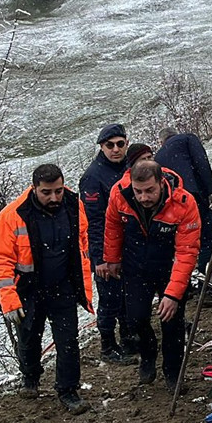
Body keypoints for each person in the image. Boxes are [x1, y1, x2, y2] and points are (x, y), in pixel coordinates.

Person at [0, 164, 94, 415]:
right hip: (29, 289)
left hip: (64, 286)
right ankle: (30, 377)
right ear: (34, 188)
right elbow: (1, 259)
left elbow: (83, 238)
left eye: (58, 191)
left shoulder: (73, 203)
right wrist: (9, 299)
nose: (54, 198)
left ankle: (68, 390)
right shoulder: (13, 215)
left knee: (68, 341)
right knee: (29, 338)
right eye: (47, 192)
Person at [100, 159, 201, 390]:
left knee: (172, 322)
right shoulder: (119, 194)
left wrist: (173, 294)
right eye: (139, 191)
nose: (144, 197)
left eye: (150, 191)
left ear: (161, 183)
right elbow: (112, 226)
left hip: (170, 267)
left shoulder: (184, 203)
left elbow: (187, 252)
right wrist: (112, 258)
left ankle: (173, 372)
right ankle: (148, 354)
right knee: (135, 319)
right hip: (135, 267)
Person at [79, 124, 137, 365]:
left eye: (120, 144)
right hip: (106, 248)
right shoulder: (92, 177)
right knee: (110, 299)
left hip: (129, 245)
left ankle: (129, 339)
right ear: (101, 147)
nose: (115, 149)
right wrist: (100, 258)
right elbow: (93, 222)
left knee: (128, 295)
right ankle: (107, 345)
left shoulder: (130, 168)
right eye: (109, 145)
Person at [156, 128, 212, 271]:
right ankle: (207, 272)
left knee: (187, 242)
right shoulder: (187, 139)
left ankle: (190, 275)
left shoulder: (157, 157)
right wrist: (211, 189)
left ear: (161, 141)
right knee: (208, 237)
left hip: (173, 204)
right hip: (192, 195)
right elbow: (201, 161)